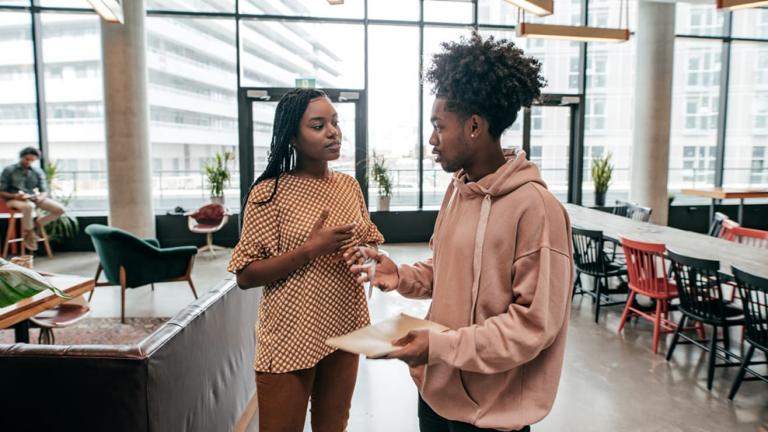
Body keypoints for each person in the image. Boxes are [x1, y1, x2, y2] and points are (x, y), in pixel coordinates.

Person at [347, 32, 573, 432]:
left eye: (439, 126)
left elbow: (532, 326)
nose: (432, 140)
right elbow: (448, 269)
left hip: (493, 414)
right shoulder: (458, 190)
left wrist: (441, 346)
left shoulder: (537, 210)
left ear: (473, 126)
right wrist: (400, 276)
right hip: (436, 390)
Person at [228, 88, 384, 432]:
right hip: (291, 332)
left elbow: (370, 242)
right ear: (293, 137)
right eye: (318, 125)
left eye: (335, 122)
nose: (333, 132)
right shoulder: (269, 193)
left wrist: (368, 260)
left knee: (334, 425)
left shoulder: (348, 186)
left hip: (345, 323)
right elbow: (245, 274)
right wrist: (310, 249)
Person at [0, 147, 66, 251]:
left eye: (32, 160)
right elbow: (1, 191)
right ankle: (30, 234)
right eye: (27, 159)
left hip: (32, 198)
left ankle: (35, 226)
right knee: (29, 206)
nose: (29, 162)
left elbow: (44, 190)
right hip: (14, 199)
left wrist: (40, 197)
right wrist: (15, 196)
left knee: (60, 209)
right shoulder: (9, 170)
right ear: (21, 157)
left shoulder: (38, 171)